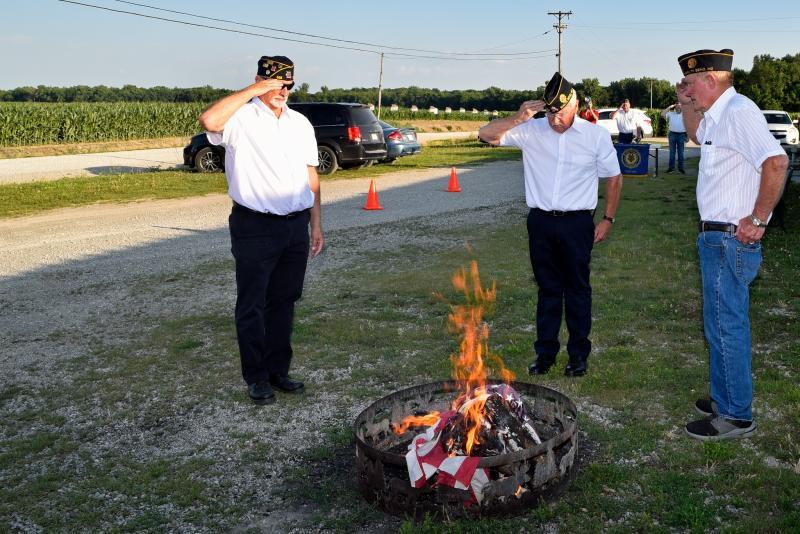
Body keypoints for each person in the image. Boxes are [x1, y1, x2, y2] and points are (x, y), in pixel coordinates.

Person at [676, 48, 788, 440]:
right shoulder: (717, 115)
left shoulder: (738, 111)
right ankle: (726, 397)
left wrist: (758, 219)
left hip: (730, 237)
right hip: (716, 237)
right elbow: (694, 134)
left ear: (711, 79)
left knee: (727, 325)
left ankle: (736, 415)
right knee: (718, 323)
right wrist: (685, 102)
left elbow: (776, 162)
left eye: (690, 83)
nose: (685, 88)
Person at [478, 72, 622, 378]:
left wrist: (608, 218)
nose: (555, 119)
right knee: (548, 289)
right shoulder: (532, 129)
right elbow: (485, 134)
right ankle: (545, 354)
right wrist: (519, 117)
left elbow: (614, 176)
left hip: (577, 223)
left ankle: (578, 356)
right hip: (541, 221)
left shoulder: (594, 136)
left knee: (578, 290)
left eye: (560, 112)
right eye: (550, 112)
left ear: (576, 105)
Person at [199, 55, 324, 405]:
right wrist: (255, 90)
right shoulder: (240, 119)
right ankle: (255, 378)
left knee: (284, 301)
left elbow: (311, 176)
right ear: (259, 81)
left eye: (287, 84)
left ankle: (277, 371)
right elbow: (209, 119)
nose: (282, 90)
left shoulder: (300, 123)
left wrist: (316, 223)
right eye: (274, 83)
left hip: (294, 226)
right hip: (254, 225)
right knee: (252, 304)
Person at [662, 102, 687, 173]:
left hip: (682, 134)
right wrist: (669, 107)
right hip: (672, 134)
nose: (678, 108)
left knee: (681, 153)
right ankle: (671, 168)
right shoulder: (670, 114)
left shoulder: (685, 114)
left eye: (680, 106)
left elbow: (688, 126)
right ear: (675, 107)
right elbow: (662, 114)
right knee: (672, 152)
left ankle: (681, 169)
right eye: (677, 106)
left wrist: (687, 136)